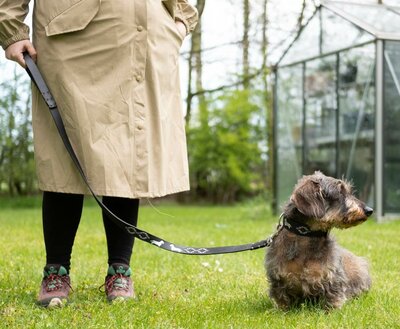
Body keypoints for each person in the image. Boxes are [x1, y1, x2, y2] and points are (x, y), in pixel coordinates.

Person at [0, 0, 198, 307]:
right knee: (63, 155)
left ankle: (120, 269)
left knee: (129, 152)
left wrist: (180, 20)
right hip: (71, 38)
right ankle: (56, 270)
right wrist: (11, 30)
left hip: (143, 37)